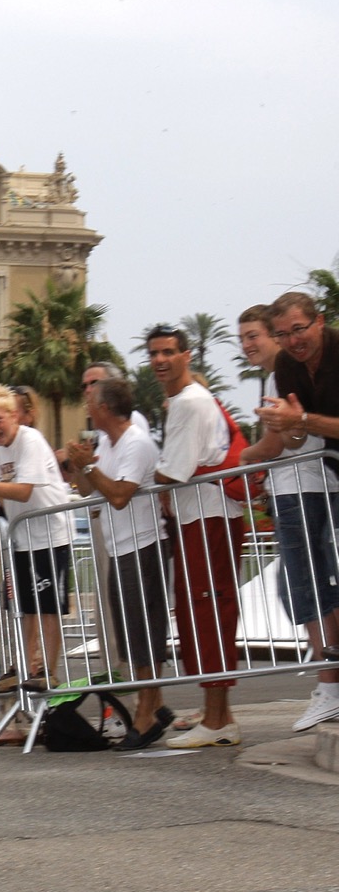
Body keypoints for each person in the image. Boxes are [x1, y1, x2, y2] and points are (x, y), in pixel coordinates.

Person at [148, 324, 246, 749]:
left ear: (187, 355)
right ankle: (217, 713)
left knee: (206, 611)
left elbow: (172, 471)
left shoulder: (188, 403)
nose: (161, 360)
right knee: (205, 610)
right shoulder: (188, 401)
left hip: (207, 517)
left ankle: (218, 718)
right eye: (154, 353)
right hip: (205, 515)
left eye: (169, 352)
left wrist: (152, 478)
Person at [248, 296, 339, 729]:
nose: (292, 341)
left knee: (319, 573)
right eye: (283, 334)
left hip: (319, 484)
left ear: (320, 322)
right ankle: (330, 685)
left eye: (298, 329)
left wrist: (297, 421)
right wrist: (288, 424)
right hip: (325, 476)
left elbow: (302, 433)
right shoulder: (285, 368)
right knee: (306, 584)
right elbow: (294, 441)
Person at [66, 377, 172, 749]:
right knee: (129, 633)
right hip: (119, 547)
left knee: (143, 631)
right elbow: (86, 490)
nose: (88, 409)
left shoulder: (136, 442)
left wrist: (90, 468)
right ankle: (154, 704)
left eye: (91, 403)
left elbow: (120, 495)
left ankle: (146, 711)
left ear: (105, 408)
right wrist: (81, 466)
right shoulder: (107, 444)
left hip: (142, 545)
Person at [0, 384, 72, 692]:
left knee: (47, 605)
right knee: (22, 605)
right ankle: (22, 665)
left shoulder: (30, 440)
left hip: (50, 531)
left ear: (14, 416)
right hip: (20, 535)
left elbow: (23, 490)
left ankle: (47, 667)